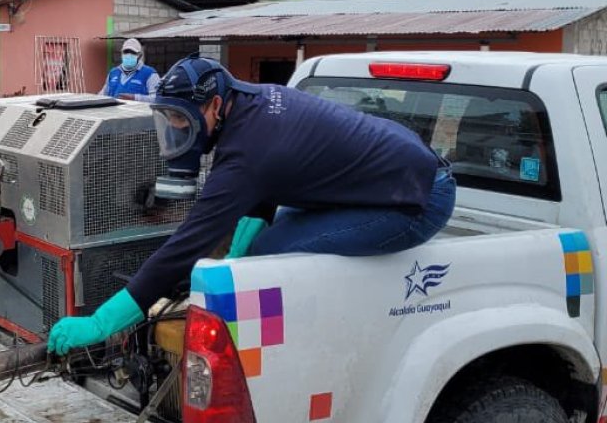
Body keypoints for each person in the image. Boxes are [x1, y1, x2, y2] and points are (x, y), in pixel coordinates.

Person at [48, 54, 457, 355]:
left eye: (181, 119)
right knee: (258, 249)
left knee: (269, 255)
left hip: (417, 200)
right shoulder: (252, 104)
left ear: (213, 105)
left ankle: (287, 353)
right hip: (392, 177)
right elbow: (265, 194)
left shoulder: (249, 153)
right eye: (168, 118)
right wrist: (232, 259)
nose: (175, 128)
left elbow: (190, 242)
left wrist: (103, 321)